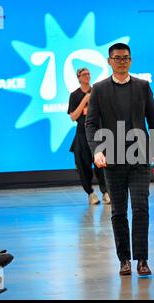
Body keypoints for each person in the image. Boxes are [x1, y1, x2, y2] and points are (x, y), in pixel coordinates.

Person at [85, 43, 154, 276]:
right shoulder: (99, 89)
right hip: (112, 159)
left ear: (131, 60)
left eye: (126, 58)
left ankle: (142, 260)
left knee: (141, 208)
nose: (121, 62)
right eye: (117, 58)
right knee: (118, 212)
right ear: (109, 61)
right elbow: (90, 123)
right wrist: (97, 150)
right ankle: (124, 260)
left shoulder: (142, 86)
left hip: (139, 158)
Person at [68, 68, 110, 205]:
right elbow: (73, 117)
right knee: (83, 166)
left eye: (88, 74)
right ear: (78, 77)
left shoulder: (96, 91)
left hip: (97, 133)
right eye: (84, 74)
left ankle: (106, 192)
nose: (87, 76)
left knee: (102, 165)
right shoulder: (74, 95)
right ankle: (91, 193)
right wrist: (85, 100)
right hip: (81, 135)